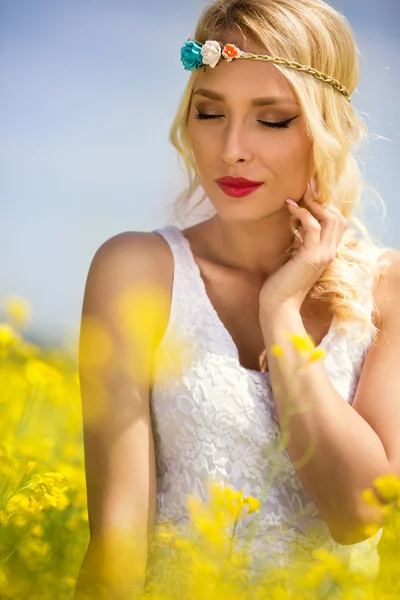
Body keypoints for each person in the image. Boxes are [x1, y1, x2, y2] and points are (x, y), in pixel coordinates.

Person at [74, 0, 400, 597]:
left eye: (271, 119)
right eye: (210, 112)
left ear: (325, 128)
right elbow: (117, 537)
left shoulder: (388, 288)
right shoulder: (135, 270)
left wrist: (280, 315)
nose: (231, 149)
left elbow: (363, 514)